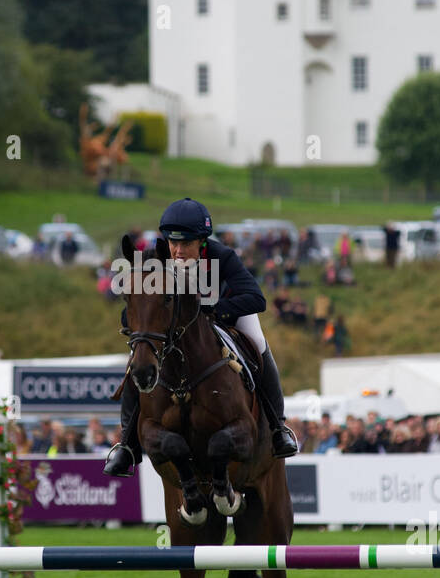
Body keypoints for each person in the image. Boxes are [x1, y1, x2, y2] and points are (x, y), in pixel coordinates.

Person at [104, 197, 299, 474]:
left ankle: (278, 427)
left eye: (186, 244)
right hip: (178, 331)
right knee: (139, 357)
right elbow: (134, 310)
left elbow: (257, 299)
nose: (178, 251)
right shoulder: (156, 261)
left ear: (202, 242)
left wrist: (215, 308)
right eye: (173, 243)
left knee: (258, 343)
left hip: (228, 316)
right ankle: (126, 445)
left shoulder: (222, 256)